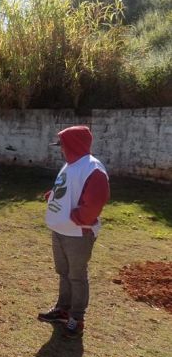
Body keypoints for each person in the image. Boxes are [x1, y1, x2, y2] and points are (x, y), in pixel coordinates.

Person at [38, 125, 109, 339]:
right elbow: (70, 188)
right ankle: (63, 309)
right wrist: (54, 196)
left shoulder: (92, 168)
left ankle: (76, 318)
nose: (61, 150)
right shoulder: (70, 165)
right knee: (64, 272)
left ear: (73, 144)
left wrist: (79, 219)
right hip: (61, 230)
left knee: (77, 276)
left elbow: (96, 200)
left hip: (78, 233)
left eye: (63, 145)